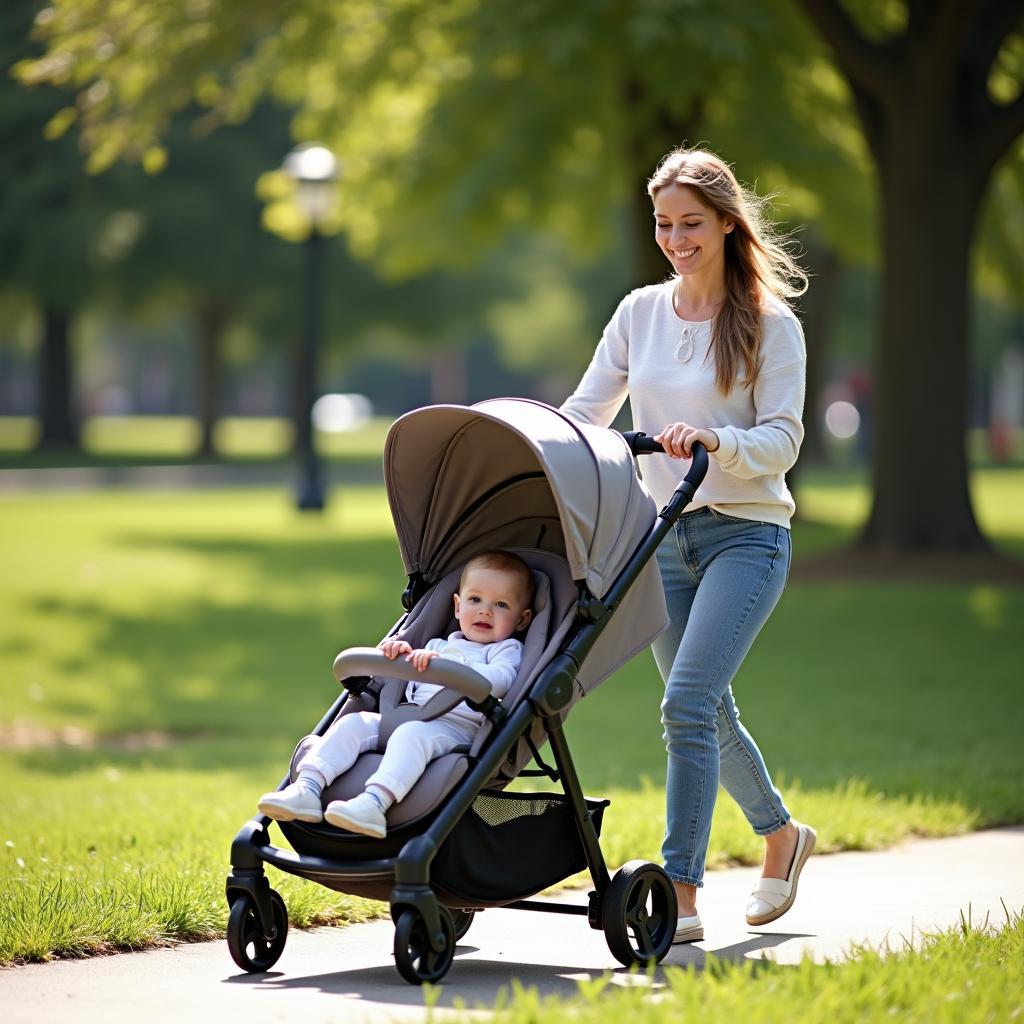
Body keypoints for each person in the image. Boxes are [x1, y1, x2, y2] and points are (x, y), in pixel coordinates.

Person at [560, 147, 815, 942]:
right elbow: (587, 409)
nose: (675, 239)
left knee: (685, 703)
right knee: (703, 709)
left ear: (728, 224)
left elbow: (783, 440)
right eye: (664, 224)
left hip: (748, 535)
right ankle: (781, 837)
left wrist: (715, 440)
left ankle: (681, 892)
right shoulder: (640, 311)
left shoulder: (773, 326)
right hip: (661, 537)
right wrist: (544, 449)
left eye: (690, 224)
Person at [258, 550, 534, 838]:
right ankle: (308, 788)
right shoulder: (436, 645)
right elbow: (412, 674)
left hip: (456, 731)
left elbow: (502, 680)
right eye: (475, 599)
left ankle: (374, 804)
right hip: (402, 717)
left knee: (411, 734)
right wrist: (400, 656)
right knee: (354, 723)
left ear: (522, 620)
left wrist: (455, 668)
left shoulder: (505, 650)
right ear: (456, 605)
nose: (484, 611)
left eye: (501, 604)